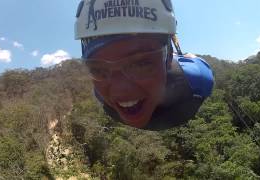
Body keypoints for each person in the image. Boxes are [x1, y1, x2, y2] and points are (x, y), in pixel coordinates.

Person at [74, 0, 214, 130]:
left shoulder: (197, 78)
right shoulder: (100, 92)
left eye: (141, 64)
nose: (120, 92)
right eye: (99, 70)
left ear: (169, 56)